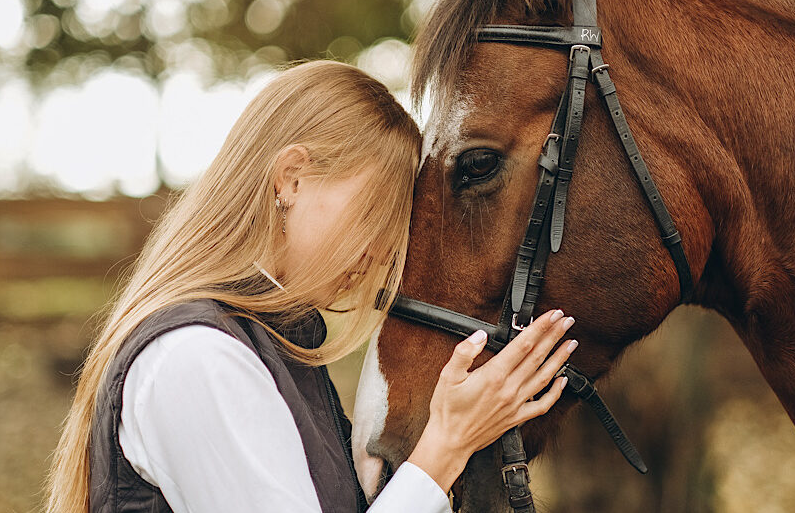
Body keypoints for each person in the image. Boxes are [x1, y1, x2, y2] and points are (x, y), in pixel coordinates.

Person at [45, 60, 577, 513]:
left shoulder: (269, 346)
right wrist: (445, 446)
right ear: (292, 179)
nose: (382, 252)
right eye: (374, 214)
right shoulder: (197, 357)